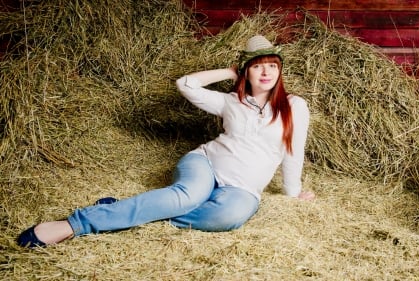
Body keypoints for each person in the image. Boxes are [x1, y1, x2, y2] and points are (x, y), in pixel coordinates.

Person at [17, 35, 314, 248]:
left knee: (228, 216)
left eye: (272, 66)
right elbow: (186, 84)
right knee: (185, 197)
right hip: (206, 164)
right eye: (257, 65)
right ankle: (77, 224)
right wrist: (229, 71)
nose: (266, 72)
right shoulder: (228, 102)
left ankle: (137, 211)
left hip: (243, 187)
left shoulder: (294, 106)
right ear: (246, 71)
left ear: (280, 71)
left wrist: (293, 192)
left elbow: (292, 152)